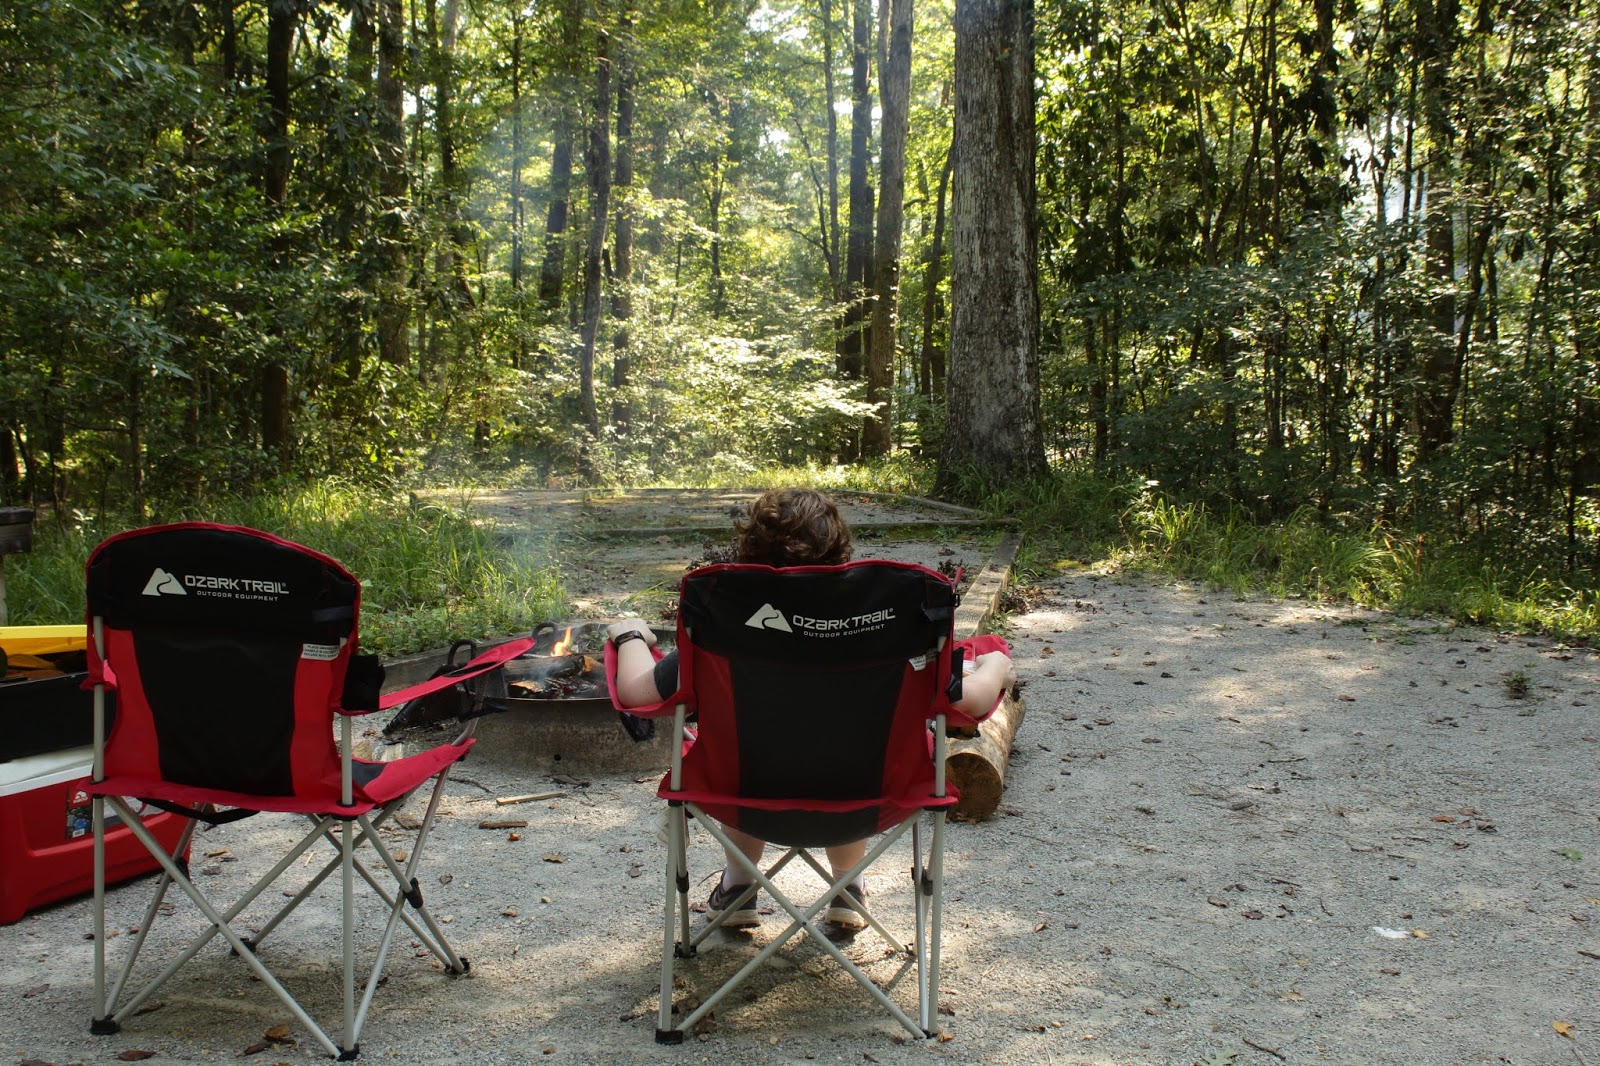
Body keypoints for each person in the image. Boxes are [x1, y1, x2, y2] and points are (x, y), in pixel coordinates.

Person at [607, 486, 1016, 930]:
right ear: (840, 548)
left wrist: (629, 635)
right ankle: (848, 886)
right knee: (853, 744)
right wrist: (996, 661)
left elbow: (635, 694)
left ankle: (740, 882)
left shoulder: (723, 613)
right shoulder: (895, 612)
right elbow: (970, 703)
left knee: (738, 742)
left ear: (750, 551)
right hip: (871, 800)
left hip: (742, 797)